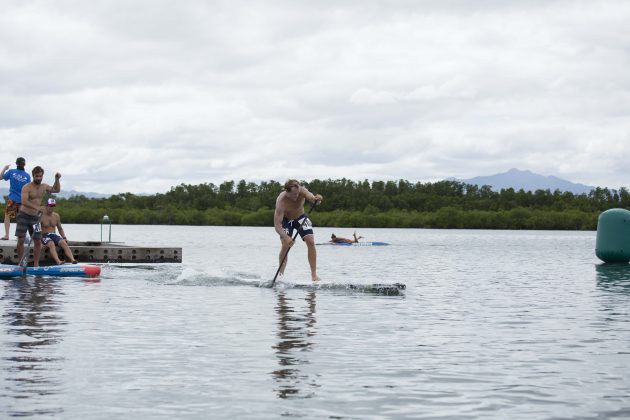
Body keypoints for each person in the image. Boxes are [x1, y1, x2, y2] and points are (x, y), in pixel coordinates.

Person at [274, 179, 323, 281]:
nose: (296, 196)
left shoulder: (302, 190)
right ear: (287, 192)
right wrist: (287, 237)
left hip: (300, 217)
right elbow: (277, 225)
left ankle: (314, 275)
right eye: (293, 194)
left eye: (298, 193)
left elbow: (311, 198)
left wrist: (317, 200)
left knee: (311, 242)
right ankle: (280, 276)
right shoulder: (281, 201)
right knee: (285, 245)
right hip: (285, 221)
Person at [16, 166, 61, 267]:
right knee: (21, 240)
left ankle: (36, 265)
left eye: (40, 176)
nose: (39, 178)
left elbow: (56, 190)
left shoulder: (44, 186)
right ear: (33, 176)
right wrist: (37, 207)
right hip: (23, 215)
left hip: (35, 218)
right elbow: (24, 201)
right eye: (37, 176)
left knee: (37, 241)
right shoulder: (26, 187)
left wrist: (57, 179)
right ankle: (21, 264)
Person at [1, 157, 31, 240]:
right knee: (20, 218)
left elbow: (0, 177)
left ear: (16, 163)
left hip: (12, 199)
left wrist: (4, 168)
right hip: (22, 200)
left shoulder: (11, 172)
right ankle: (19, 237)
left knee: (7, 216)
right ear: (24, 164)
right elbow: (29, 190)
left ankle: (7, 235)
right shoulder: (27, 176)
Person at [40, 198, 77, 265]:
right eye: (50, 206)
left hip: (53, 235)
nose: (52, 207)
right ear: (46, 206)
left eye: (53, 206)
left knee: (63, 242)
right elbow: (36, 229)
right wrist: (39, 241)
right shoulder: (41, 216)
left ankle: (73, 260)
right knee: (51, 243)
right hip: (44, 235)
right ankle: (58, 261)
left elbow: (60, 228)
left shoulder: (56, 216)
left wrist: (64, 237)